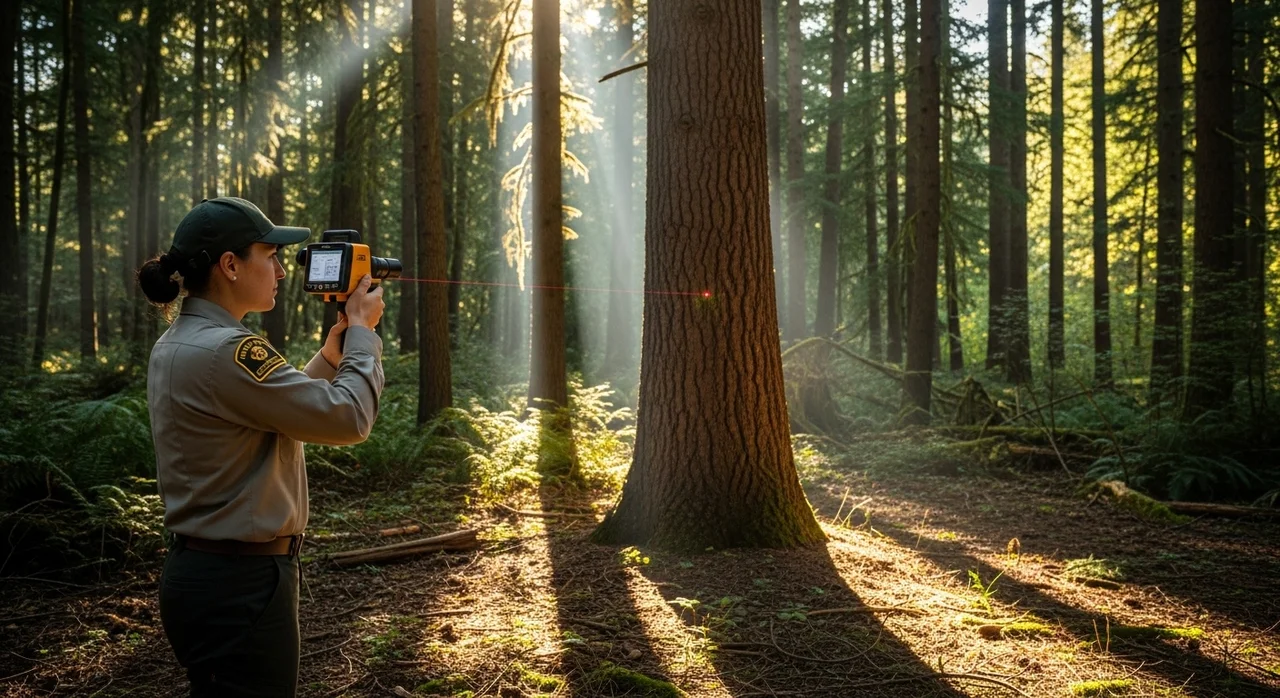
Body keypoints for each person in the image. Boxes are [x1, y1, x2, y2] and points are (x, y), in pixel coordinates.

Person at [135, 197, 385, 697]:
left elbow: (275, 414)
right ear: (230, 264)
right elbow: (348, 418)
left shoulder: (187, 340)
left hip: (212, 575)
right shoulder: (227, 349)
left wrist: (331, 355)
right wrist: (361, 335)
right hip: (239, 585)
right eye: (269, 255)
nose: (280, 270)